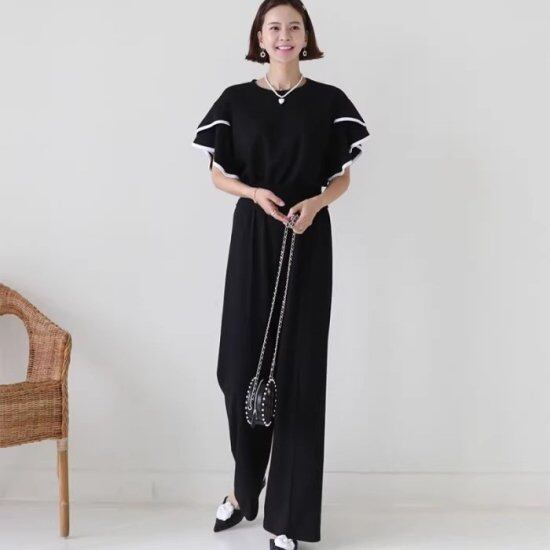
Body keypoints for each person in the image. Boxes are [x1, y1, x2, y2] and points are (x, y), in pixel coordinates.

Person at [191, 1, 370, 548]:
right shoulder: (235, 100)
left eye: (294, 26)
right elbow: (216, 174)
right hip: (254, 233)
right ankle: (245, 489)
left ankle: (287, 518)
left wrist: (317, 203)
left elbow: (342, 178)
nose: (285, 35)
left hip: (307, 234)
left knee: (298, 373)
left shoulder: (330, 102)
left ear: (306, 37)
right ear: (260, 38)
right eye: (274, 27)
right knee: (236, 367)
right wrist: (252, 193)